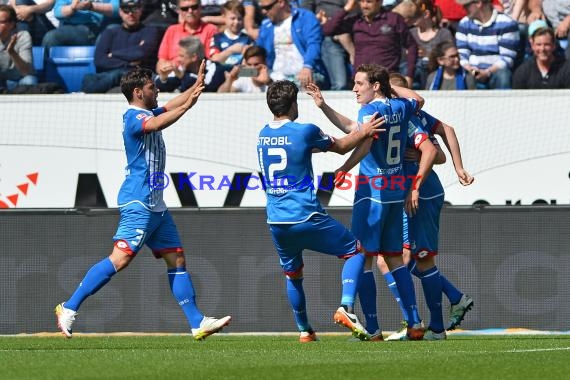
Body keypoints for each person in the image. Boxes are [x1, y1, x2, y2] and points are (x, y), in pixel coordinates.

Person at [55, 63, 232, 341]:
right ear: (138, 92)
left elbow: (170, 104)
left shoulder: (146, 110)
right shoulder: (133, 118)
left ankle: (197, 322)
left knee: (177, 259)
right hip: (138, 201)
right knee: (121, 258)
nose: (157, 89)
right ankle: (68, 307)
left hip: (156, 205)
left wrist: (194, 87)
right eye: (152, 86)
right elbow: (159, 121)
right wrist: (188, 107)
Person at [307, 63, 438, 341]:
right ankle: (415, 321)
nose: (354, 89)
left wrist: (344, 167)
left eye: (360, 83)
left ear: (375, 86)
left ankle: (372, 327)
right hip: (396, 189)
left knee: (362, 255)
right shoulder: (401, 108)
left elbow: (362, 139)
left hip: (372, 190)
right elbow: (416, 100)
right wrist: (323, 106)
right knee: (393, 258)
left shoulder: (369, 111)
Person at [258, 80, 386, 342]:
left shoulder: (263, 134)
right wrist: (365, 131)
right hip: (305, 214)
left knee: (293, 274)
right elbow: (341, 146)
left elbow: (299, 148)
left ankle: (305, 330)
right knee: (356, 251)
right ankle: (346, 307)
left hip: (276, 220)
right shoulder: (304, 130)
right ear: (293, 103)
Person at [381, 72, 475, 340]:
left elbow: (436, 151)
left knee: (418, 259)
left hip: (419, 194)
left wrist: (453, 167)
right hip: (409, 194)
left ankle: (432, 326)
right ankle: (445, 304)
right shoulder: (401, 117)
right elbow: (445, 135)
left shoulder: (408, 117)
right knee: (397, 260)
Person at [322, 0, 419, 88]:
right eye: (362, 1)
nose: (364, 5)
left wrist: (409, 76)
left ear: (380, 2)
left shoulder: (394, 19)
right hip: (361, 82)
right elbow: (327, 30)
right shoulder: (355, 21)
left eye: (369, 2)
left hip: (387, 80)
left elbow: (412, 46)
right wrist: (347, 9)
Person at [81, 0, 162, 93]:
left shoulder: (150, 31)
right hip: (112, 81)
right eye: (126, 10)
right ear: (120, 11)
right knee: (90, 80)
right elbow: (99, 60)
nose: (130, 13)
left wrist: (113, 54)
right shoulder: (110, 32)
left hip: (139, 80)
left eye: (134, 9)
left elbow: (142, 53)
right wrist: (128, 63)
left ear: (141, 10)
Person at [256, 0, 329, 89]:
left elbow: (313, 44)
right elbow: (258, 52)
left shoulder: (305, 17)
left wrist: (307, 66)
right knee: (242, 81)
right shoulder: (265, 26)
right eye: (262, 8)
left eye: (267, 7)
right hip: (275, 77)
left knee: (310, 82)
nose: (264, 11)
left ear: (281, 2)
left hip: (306, 74)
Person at [455, 0, 520, 89]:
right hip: (472, 73)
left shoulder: (507, 23)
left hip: (496, 73)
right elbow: (462, 55)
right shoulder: (464, 23)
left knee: (503, 75)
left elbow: (507, 58)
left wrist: (487, 72)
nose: (463, 9)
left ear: (478, 3)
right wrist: (474, 71)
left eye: (466, 6)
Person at [155, 0, 217, 84]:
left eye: (194, 7)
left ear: (200, 7)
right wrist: (166, 69)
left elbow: (212, 59)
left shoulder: (211, 29)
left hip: (198, 77)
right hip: (173, 76)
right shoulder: (172, 30)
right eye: (185, 8)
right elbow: (161, 62)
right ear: (179, 11)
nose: (190, 11)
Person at [156, 35, 228, 91]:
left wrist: (182, 76)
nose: (178, 59)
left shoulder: (216, 69)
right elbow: (160, 87)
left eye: (182, 56)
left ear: (194, 57)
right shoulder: (180, 69)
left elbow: (206, 89)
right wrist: (163, 77)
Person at [513, 19, 570, 88]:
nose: (542, 49)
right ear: (532, 46)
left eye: (546, 45)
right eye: (538, 45)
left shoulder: (566, 69)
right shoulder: (523, 72)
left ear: (553, 45)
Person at [41, 0, 119, 50]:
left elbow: (117, 9)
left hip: (103, 28)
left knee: (112, 32)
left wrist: (91, 6)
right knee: (51, 37)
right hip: (75, 29)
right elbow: (57, 12)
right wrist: (72, 8)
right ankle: (47, 73)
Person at [0, 4, 36, 92]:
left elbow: (26, 72)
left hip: (18, 81)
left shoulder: (23, 36)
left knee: (30, 81)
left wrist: (12, 52)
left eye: (0, 22)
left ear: (12, 24)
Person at [209, 0, 253, 66]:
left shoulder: (248, 39)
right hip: (221, 74)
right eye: (232, 18)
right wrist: (231, 50)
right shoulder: (217, 38)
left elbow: (252, 66)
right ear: (224, 17)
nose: (236, 22)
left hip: (241, 74)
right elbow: (214, 59)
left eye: (239, 19)